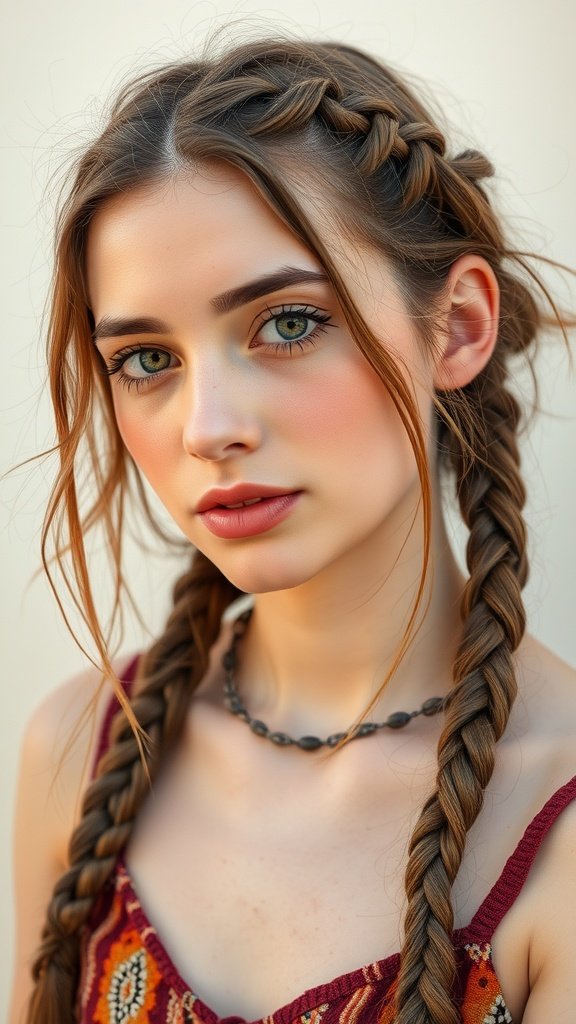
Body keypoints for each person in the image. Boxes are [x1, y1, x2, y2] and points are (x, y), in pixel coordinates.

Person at [9, 36, 576, 1024]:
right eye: (146, 358)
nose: (207, 425)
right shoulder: (81, 751)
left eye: (287, 322)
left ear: (458, 327)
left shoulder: (556, 821)